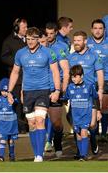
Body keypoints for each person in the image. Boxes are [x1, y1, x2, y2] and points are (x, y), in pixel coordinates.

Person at [7, 27, 60, 162]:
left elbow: (55, 72)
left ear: (38, 39)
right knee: (31, 124)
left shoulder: (48, 52)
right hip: (28, 92)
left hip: (43, 91)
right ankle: (36, 152)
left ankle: (39, 155)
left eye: (33, 39)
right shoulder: (20, 53)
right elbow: (15, 72)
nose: (30, 42)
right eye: (28, 39)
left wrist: (57, 90)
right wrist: (9, 91)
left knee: (40, 120)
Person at [68, 31, 104, 158]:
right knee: (75, 122)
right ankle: (80, 152)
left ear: (85, 41)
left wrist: (100, 89)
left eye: (79, 40)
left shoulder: (93, 55)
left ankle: (93, 138)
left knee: (92, 124)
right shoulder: (71, 57)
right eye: (75, 41)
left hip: (90, 94)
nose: (76, 43)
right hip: (76, 95)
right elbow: (68, 75)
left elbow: (99, 73)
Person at [63, 65, 98, 160]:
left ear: (81, 76)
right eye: (72, 77)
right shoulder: (70, 87)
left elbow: (95, 99)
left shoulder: (89, 86)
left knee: (84, 133)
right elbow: (65, 98)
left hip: (86, 114)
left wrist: (96, 113)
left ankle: (83, 155)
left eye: (75, 76)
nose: (73, 79)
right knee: (78, 135)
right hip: (75, 115)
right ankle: (80, 154)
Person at [45, 22, 70, 157]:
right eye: (46, 33)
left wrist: (63, 88)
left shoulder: (61, 47)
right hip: (42, 86)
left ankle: (57, 142)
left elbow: (66, 69)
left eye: (51, 34)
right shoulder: (41, 45)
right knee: (40, 118)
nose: (48, 36)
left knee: (56, 122)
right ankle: (47, 143)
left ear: (56, 33)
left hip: (56, 86)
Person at [1, 18, 28, 133]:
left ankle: (30, 127)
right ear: (17, 28)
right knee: (18, 106)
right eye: (24, 27)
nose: (26, 29)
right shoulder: (9, 41)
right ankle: (20, 129)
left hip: (29, 77)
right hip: (17, 78)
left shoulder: (29, 39)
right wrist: (18, 61)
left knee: (28, 103)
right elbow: (4, 57)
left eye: (27, 27)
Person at [87, 19, 108, 143]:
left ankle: (104, 133)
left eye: (100, 28)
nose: (98, 30)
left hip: (105, 79)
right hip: (90, 80)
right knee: (92, 107)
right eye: (95, 28)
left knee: (104, 107)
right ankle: (92, 134)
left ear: (104, 30)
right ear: (91, 30)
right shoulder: (86, 43)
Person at [0, 78, 18, 162]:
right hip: (2, 124)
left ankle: (12, 155)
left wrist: (13, 102)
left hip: (12, 124)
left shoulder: (13, 98)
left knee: (11, 141)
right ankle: (0, 156)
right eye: (2, 91)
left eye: (6, 91)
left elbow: (16, 104)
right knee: (2, 140)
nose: (4, 93)